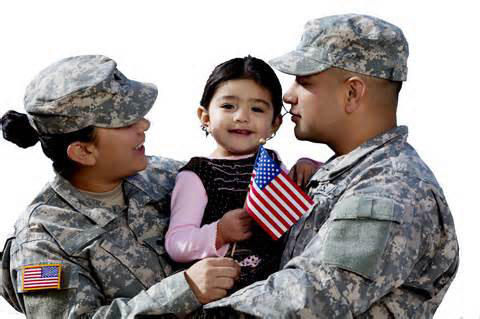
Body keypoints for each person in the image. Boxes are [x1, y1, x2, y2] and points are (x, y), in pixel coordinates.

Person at [204, 14, 459, 318]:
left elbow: (305, 299)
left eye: (304, 81)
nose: (288, 95)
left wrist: (179, 306)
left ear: (352, 93)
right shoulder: (344, 173)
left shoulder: (392, 188)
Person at [0, 55, 240, 318]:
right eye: (126, 122)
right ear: (83, 151)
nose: (144, 125)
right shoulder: (41, 241)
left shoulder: (164, 175)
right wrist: (184, 291)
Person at [165, 56, 285, 291]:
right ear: (205, 117)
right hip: (225, 293)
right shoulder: (197, 174)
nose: (242, 116)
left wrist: (308, 166)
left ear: (274, 124)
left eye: (257, 108)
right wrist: (220, 232)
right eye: (228, 106)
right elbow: (176, 243)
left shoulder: (272, 163)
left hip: (276, 289)